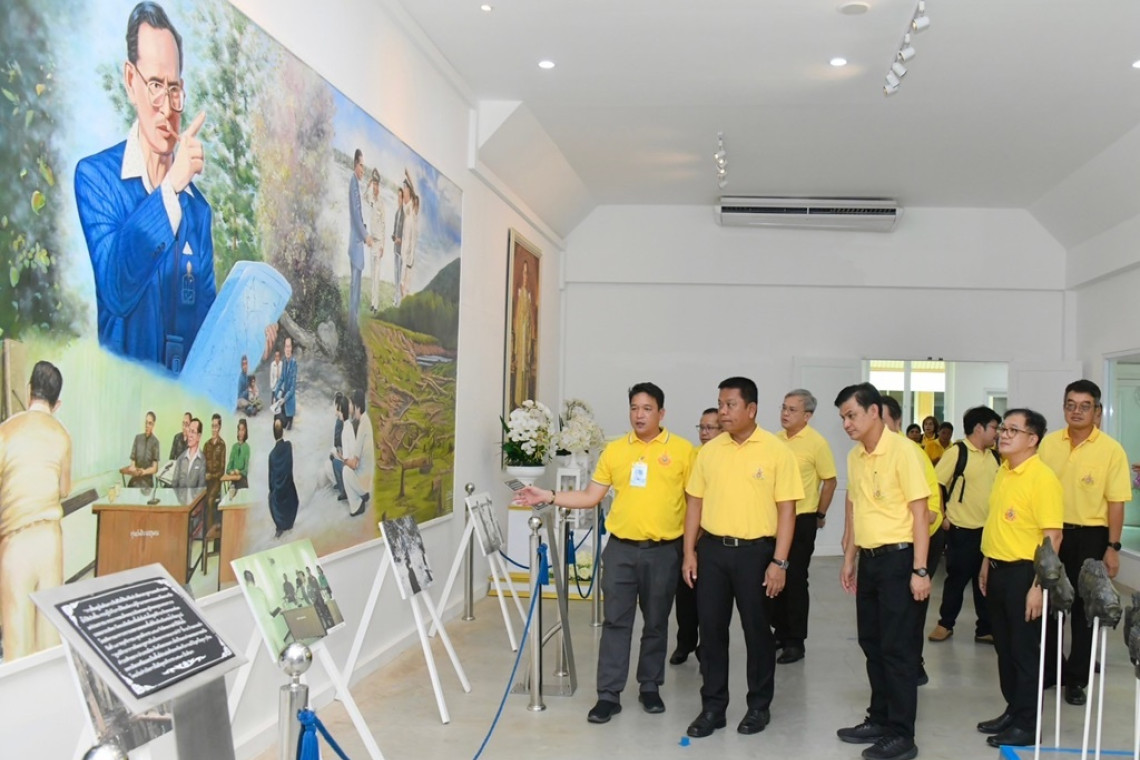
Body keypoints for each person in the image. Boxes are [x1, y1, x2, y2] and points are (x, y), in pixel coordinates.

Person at [515, 382, 695, 725]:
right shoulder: (615, 451)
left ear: (661, 413)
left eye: (647, 408)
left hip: (663, 552)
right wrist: (548, 495)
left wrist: (689, 551)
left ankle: (649, 686)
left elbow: (694, 505)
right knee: (615, 622)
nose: (639, 415)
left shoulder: (684, 451)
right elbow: (590, 496)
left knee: (657, 622)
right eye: (634, 408)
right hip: (621, 551)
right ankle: (608, 695)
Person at [74, 2, 214, 372]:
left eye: (173, 88)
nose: (166, 107)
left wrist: (247, 339)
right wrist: (171, 188)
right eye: (155, 86)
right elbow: (117, 289)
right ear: (130, 80)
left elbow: (207, 331)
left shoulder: (199, 212)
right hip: (123, 400)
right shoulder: (96, 178)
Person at [682, 377, 802, 739]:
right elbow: (694, 504)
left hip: (756, 554)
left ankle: (758, 706)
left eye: (730, 404)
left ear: (751, 409)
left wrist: (779, 562)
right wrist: (689, 552)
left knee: (757, 632)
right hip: (713, 552)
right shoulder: (709, 451)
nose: (723, 411)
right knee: (711, 632)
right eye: (720, 404)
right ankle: (713, 707)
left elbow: (787, 511)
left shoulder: (776, 451)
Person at [834, 383, 930, 760]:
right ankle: (879, 718)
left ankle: (902, 734)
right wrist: (850, 558)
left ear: (874, 412)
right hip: (871, 562)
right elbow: (857, 508)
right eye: (842, 417)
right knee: (871, 642)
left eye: (852, 415)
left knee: (898, 649)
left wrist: (920, 569)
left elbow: (920, 515)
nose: (846, 423)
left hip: (899, 560)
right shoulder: (856, 456)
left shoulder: (904, 452)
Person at [973, 408, 1063, 748]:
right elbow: (996, 522)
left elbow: (1053, 537)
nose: (1004, 435)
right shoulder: (1004, 471)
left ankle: (1028, 724)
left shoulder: (1042, 478)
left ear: (1033, 439)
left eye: (1014, 430)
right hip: (998, 568)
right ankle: (1013, 710)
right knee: (1005, 648)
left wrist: (1039, 587)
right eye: (1003, 428)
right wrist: (986, 562)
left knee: (1025, 652)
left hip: (1026, 574)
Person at [1039, 379, 1130, 706]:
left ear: (1097, 411)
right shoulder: (1048, 444)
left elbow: (1116, 502)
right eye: (1071, 405)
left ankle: (1077, 679)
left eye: (1084, 406)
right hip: (1051, 534)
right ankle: (1052, 670)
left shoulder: (1111, 450)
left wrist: (1113, 547)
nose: (1076, 411)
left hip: (1091, 536)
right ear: (1064, 407)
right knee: (1049, 604)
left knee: (1083, 609)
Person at [0, 361, 71, 661]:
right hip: (50, 542)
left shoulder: (6, 431)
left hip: (15, 543)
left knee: (18, 645)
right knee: (48, 642)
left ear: (29, 389)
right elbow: (64, 489)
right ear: (57, 403)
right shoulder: (62, 435)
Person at [880, 396, 944, 687]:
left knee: (911, 609)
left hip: (918, 540)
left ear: (895, 421)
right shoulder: (872, 454)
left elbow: (929, 512)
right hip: (891, 544)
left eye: (880, 421)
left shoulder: (910, 453)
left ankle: (912, 666)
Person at [770, 389, 837, 665]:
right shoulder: (775, 440)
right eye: (783, 408)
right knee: (773, 577)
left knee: (795, 580)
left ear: (807, 416)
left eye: (792, 410)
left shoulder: (817, 443)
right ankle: (780, 632)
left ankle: (796, 641)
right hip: (774, 520)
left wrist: (820, 513)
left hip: (802, 519)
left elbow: (830, 481)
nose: (785, 413)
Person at [927, 406, 1001, 645]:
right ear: (979, 428)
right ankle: (945, 624)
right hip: (961, 530)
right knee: (956, 581)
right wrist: (943, 516)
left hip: (988, 531)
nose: (998, 433)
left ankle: (985, 628)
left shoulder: (995, 457)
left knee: (985, 582)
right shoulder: (957, 452)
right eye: (994, 428)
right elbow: (936, 484)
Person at [669, 407, 719, 666]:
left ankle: (706, 647)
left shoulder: (725, 457)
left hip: (712, 537)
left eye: (711, 427)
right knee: (686, 594)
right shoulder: (692, 455)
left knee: (710, 600)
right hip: (687, 536)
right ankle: (684, 643)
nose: (705, 433)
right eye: (702, 427)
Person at [347, 149, 372, 332]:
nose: (363, 170)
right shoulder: (353, 183)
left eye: (364, 166)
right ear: (356, 164)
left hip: (356, 243)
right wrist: (366, 236)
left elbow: (358, 215)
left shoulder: (355, 183)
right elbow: (356, 215)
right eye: (361, 166)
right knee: (355, 288)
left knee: (355, 287)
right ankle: (352, 328)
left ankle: (352, 326)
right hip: (356, 244)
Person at [342, 389, 374, 517]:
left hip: (364, 482)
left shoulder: (362, 427)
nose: (350, 408)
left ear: (358, 407)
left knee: (345, 471)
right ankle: (363, 495)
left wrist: (343, 459)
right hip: (366, 477)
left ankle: (357, 505)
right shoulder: (366, 421)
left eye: (351, 405)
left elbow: (354, 464)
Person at [511, 259, 535, 409]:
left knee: (525, 372)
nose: (525, 277)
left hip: (526, 341)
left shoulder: (529, 295)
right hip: (519, 340)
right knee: (520, 371)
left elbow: (530, 322)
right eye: (524, 273)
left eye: (527, 274)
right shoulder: (519, 294)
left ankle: (524, 402)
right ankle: (518, 402)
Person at [268, 418, 299, 538]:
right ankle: (289, 524)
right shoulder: (288, 446)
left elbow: (271, 480)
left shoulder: (272, 455)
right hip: (289, 490)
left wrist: (273, 490)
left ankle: (280, 526)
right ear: (282, 432)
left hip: (278, 494)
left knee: (271, 496)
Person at [324, 393, 352, 500]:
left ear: (339, 408)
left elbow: (340, 447)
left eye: (334, 405)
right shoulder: (346, 423)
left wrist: (335, 454)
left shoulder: (340, 424)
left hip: (346, 458)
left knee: (329, 463)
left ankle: (342, 488)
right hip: (347, 456)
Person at [366, 169, 386, 314]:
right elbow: (364, 196)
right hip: (372, 241)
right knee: (372, 274)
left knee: (377, 276)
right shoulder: (371, 199)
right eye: (374, 184)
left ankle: (376, 306)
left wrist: (383, 246)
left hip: (378, 243)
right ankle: (372, 303)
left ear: (379, 186)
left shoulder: (381, 203)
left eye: (377, 184)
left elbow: (384, 225)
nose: (375, 187)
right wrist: (368, 184)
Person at [125, 411, 160, 487]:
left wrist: (144, 472)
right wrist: (133, 469)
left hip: (147, 482)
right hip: (135, 480)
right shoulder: (137, 438)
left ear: (153, 425)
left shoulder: (155, 442)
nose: (147, 425)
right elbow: (133, 461)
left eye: (150, 423)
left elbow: (155, 468)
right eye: (146, 422)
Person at [203, 413, 226, 523]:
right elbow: (202, 464)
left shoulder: (222, 445)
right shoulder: (206, 444)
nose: (213, 429)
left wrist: (211, 476)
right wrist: (204, 475)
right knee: (198, 500)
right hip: (205, 480)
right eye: (212, 426)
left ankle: (210, 528)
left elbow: (222, 469)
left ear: (219, 427)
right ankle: (201, 529)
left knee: (210, 500)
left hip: (216, 481)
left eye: (216, 426)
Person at [171, 417, 206, 488]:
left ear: (199, 436)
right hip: (180, 495)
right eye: (189, 431)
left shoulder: (203, 460)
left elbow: (201, 488)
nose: (189, 435)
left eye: (193, 432)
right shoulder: (181, 459)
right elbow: (174, 485)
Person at [400, 177, 419, 303]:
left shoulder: (414, 211)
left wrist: (409, 177)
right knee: (404, 271)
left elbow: (414, 194)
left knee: (408, 271)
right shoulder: (407, 207)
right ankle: (402, 291)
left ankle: (404, 293)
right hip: (405, 245)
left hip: (411, 248)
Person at [273, 336, 298, 430]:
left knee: (285, 427)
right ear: (284, 348)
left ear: (292, 348)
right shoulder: (284, 361)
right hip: (283, 397)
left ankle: (290, 419)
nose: (287, 349)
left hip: (288, 399)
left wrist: (284, 399)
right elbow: (281, 379)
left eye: (289, 346)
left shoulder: (293, 363)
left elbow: (292, 388)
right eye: (286, 346)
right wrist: (275, 394)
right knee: (276, 421)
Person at [391, 184, 406, 307]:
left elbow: (404, 235)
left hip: (401, 250)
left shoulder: (405, 215)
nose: (399, 199)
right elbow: (395, 230)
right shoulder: (397, 213)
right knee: (395, 275)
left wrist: (400, 240)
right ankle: (396, 298)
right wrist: (393, 236)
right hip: (395, 248)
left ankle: (399, 301)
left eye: (400, 197)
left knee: (400, 276)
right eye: (398, 197)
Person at [226, 418, 250, 490]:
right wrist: (231, 471)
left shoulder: (247, 448)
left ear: (245, 431)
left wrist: (239, 472)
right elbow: (228, 469)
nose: (241, 432)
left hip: (242, 482)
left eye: (243, 430)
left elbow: (245, 471)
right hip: (233, 482)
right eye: (239, 430)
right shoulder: (234, 447)